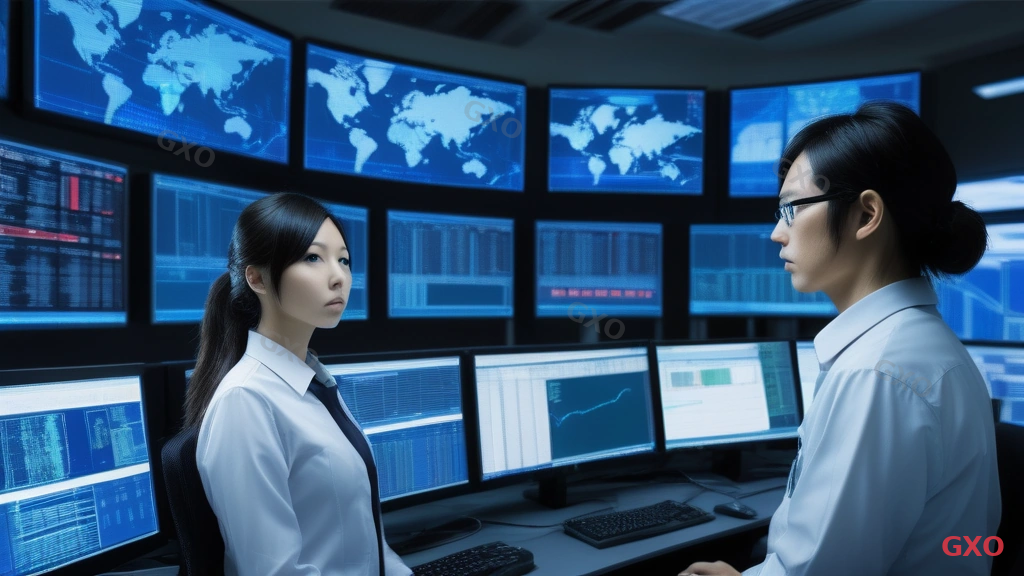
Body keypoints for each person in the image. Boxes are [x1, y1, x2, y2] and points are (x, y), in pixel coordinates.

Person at [679, 102, 1001, 576]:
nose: (776, 234)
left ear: (866, 214)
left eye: (792, 208)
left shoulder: (877, 374)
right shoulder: (922, 348)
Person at [184, 192, 412, 576]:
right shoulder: (246, 401)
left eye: (344, 260)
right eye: (313, 257)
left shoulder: (315, 383)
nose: (339, 276)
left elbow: (366, 538)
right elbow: (274, 571)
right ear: (255, 277)